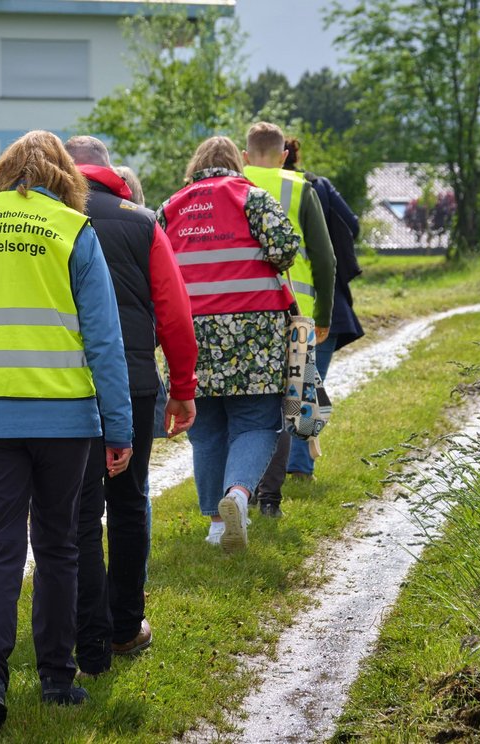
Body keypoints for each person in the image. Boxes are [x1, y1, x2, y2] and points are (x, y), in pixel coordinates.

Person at [0, 130, 135, 736]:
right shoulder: (75, 233)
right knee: (57, 547)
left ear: (3, 172)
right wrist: (119, 426)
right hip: (64, 420)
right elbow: (104, 340)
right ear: (65, 178)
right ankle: (56, 677)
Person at [64, 136, 199, 676]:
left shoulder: (48, 219)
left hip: (65, 387)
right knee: (127, 501)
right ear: (108, 169)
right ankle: (124, 627)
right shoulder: (142, 221)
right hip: (137, 382)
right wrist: (183, 387)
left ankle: (82, 625)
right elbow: (174, 309)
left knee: (77, 510)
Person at [157, 135, 301, 553]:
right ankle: (238, 494)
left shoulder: (170, 207)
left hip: (191, 331)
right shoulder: (252, 197)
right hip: (253, 333)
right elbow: (286, 249)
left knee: (205, 432)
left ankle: (217, 526)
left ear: (195, 163)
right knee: (255, 423)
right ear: (236, 162)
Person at [255, 137, 364, 515]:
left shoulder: (243, 187)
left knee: (272, 396)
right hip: (316, 307)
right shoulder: (312, 187)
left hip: (265, 309)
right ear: (287, 156)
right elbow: (350, 227)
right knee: (304, 387)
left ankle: (269, 475)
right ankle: (300, 468)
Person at [240, 123, 337, 518]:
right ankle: (269, 499)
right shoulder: (300, 188)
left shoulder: (232, 183)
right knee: (287, 402)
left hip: (239, 307)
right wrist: (326, 315)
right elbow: (325, 257)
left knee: (245, 404)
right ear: (284, 155)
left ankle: (238, 488)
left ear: (245, 155)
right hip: (294, 313)